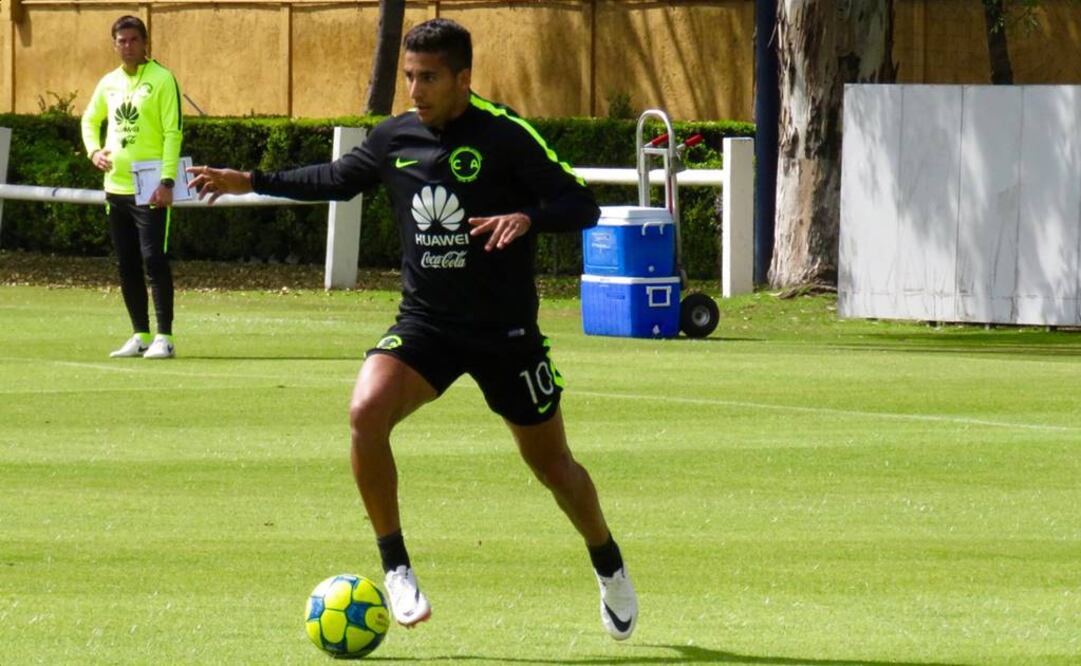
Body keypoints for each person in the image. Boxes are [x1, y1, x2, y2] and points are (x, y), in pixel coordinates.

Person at [187, 18, 638, 640]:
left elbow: (580, 202)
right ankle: (396, 567)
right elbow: (337, 180)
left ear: (463, 78)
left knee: (554, 466)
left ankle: (608, 562)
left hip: (505, 334)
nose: (416, 90)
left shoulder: (506, 135)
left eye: (428, 77)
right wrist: (254, 181)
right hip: (427, 326)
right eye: (409, 77)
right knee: (364, 412)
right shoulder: (394, 136)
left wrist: (526, 217)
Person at [81, 15, 182, 359]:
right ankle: (140, 333)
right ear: (114, 45)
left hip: (151, 187)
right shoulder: (108, 82)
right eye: (121, 41)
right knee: (126, 263)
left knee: (154, 259)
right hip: (116, 188)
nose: (127, 46)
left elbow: (173, 132)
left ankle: (164, 337)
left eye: (133, 40)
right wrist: (94, 151)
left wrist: (168, 181)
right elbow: (89, 119)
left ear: (145, 43)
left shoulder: (163, 79)